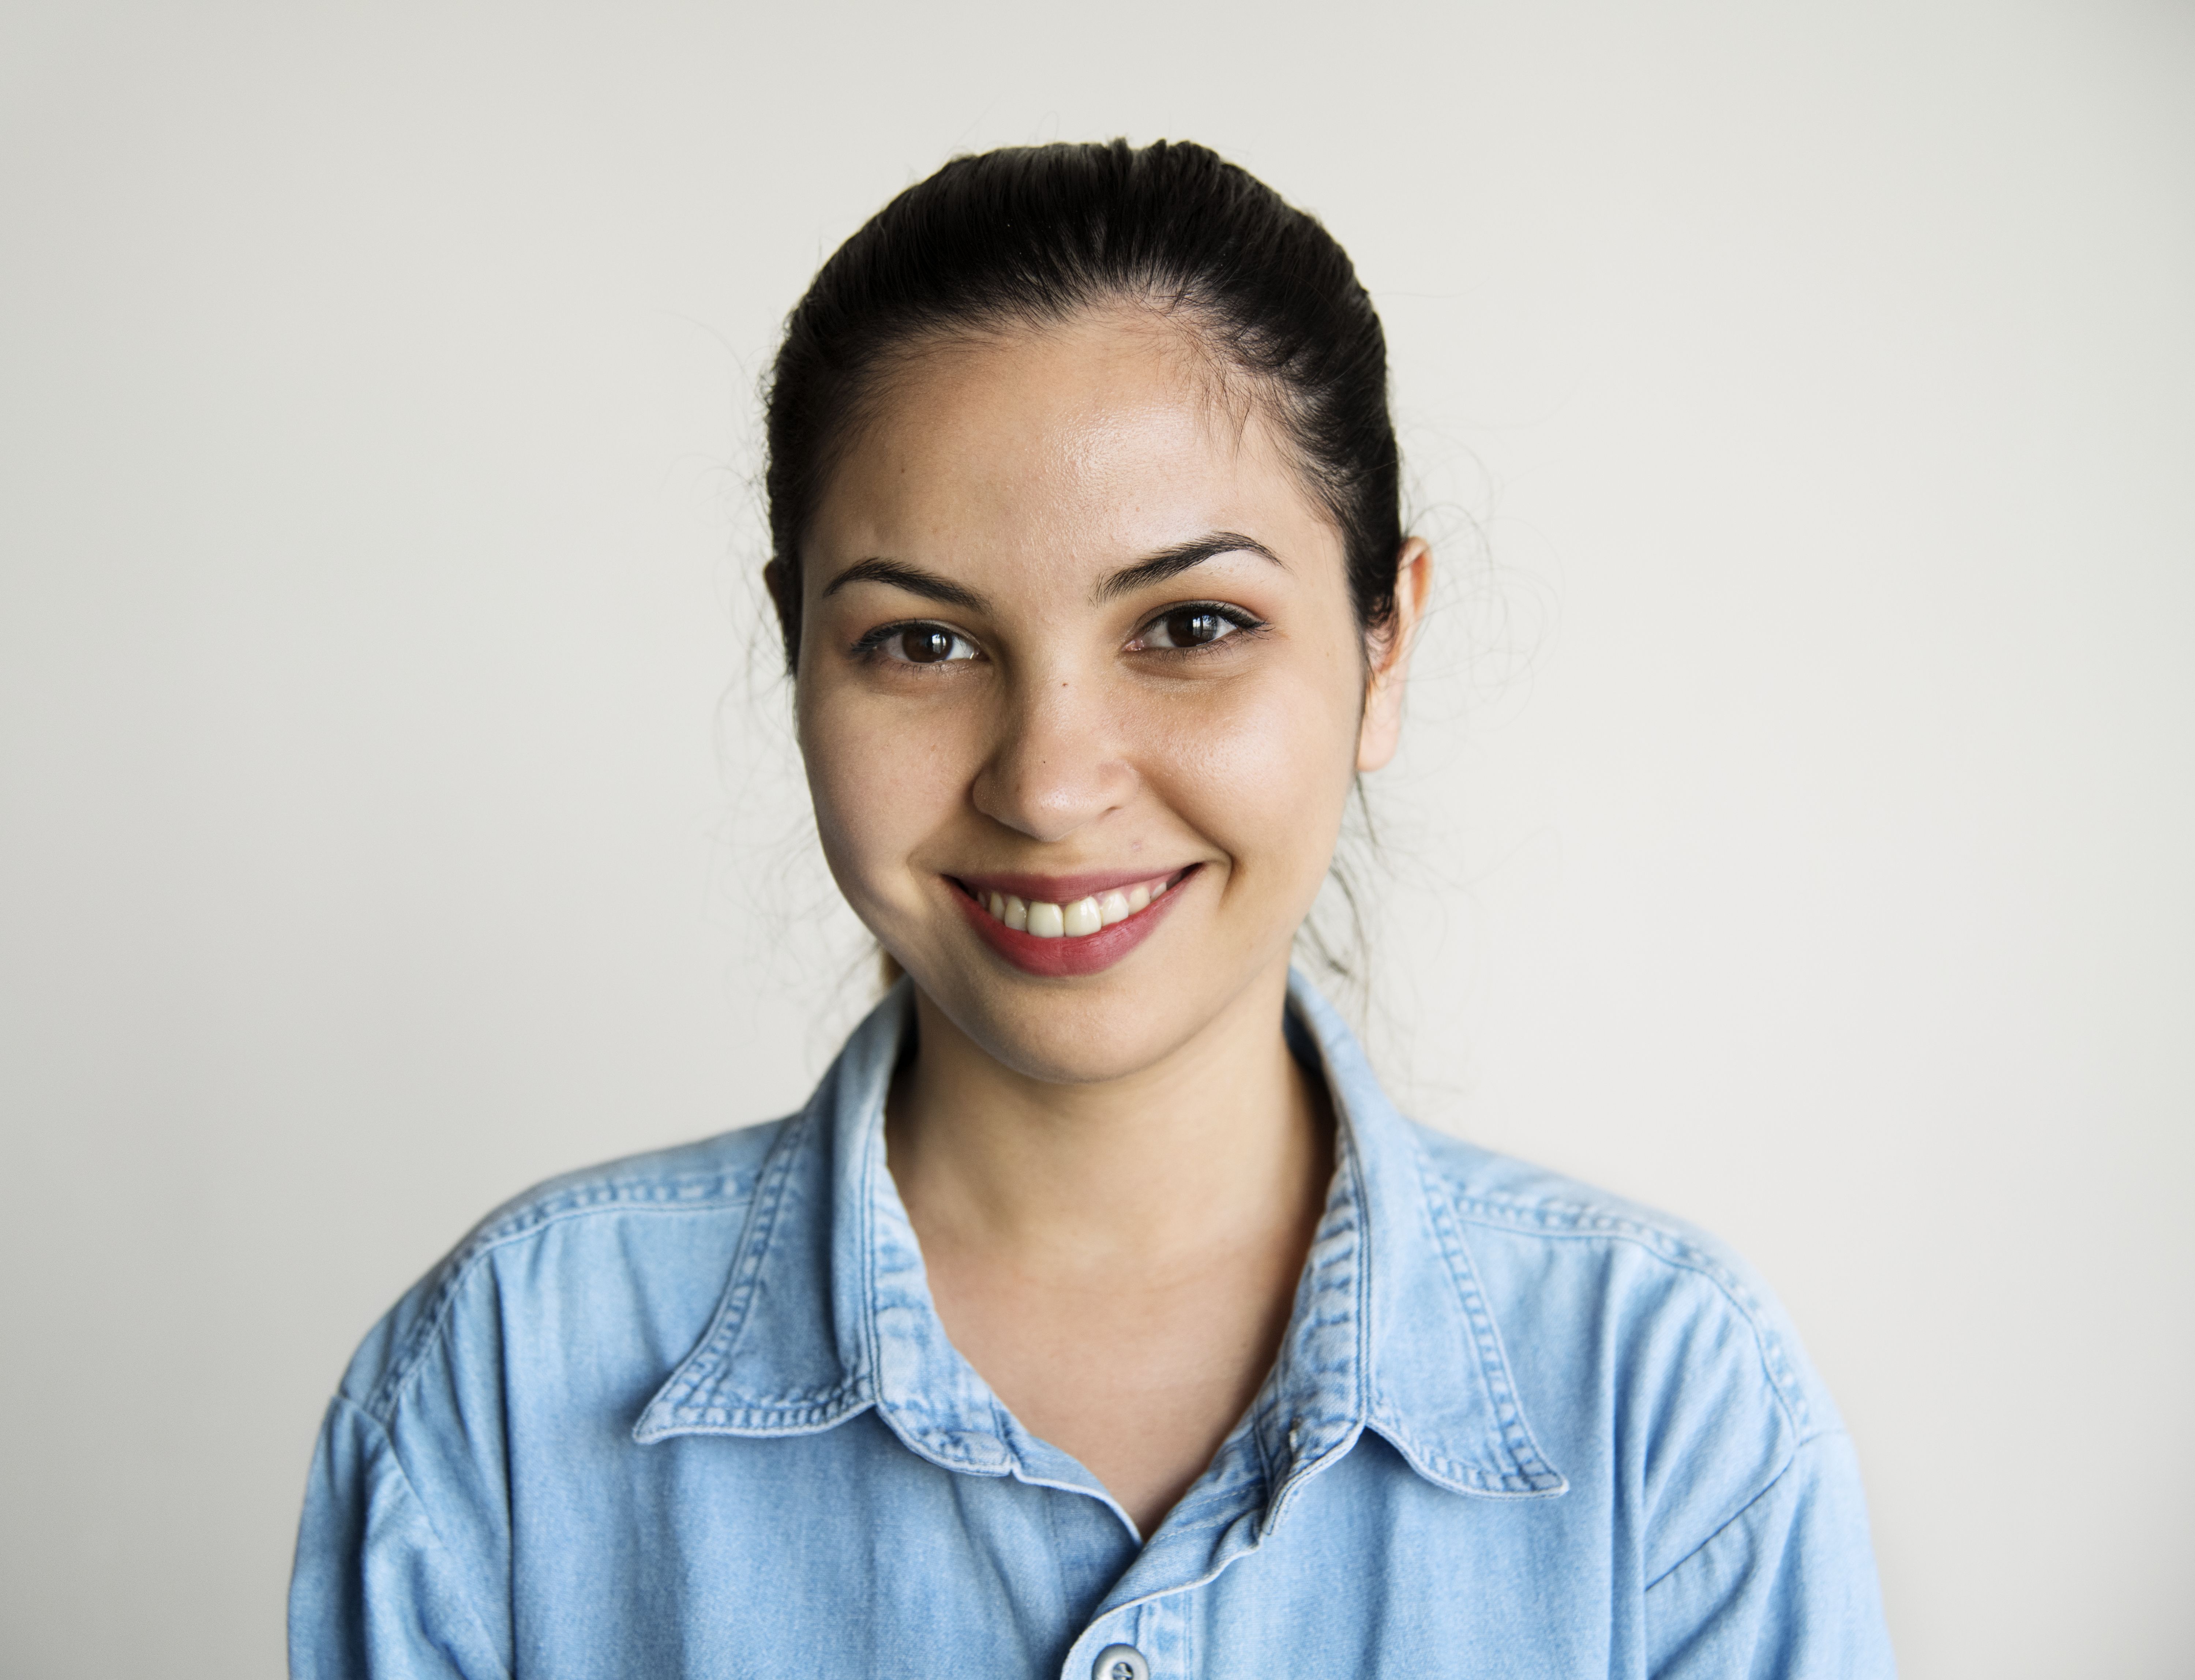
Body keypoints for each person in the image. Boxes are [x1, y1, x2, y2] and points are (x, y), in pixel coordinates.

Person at [289, 139, 1895, 1679]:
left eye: (1191, 622)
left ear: (1384, 646)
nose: (1050, 783)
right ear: (796, 652)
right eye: (922, 643)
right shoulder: (497, 1386)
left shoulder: (1669, 1413)